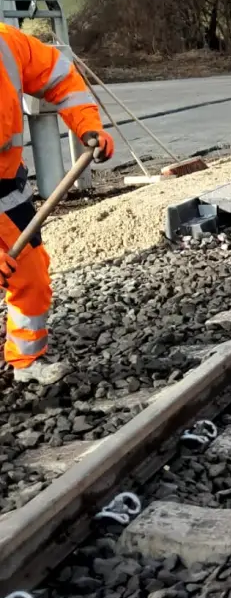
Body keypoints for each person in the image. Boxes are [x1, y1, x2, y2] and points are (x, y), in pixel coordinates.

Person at [0, 27, 114, 383]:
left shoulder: (7, 43)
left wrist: (88, 127)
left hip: (7, 190)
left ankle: (26, 361)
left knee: (30, 274)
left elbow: (60, 77)